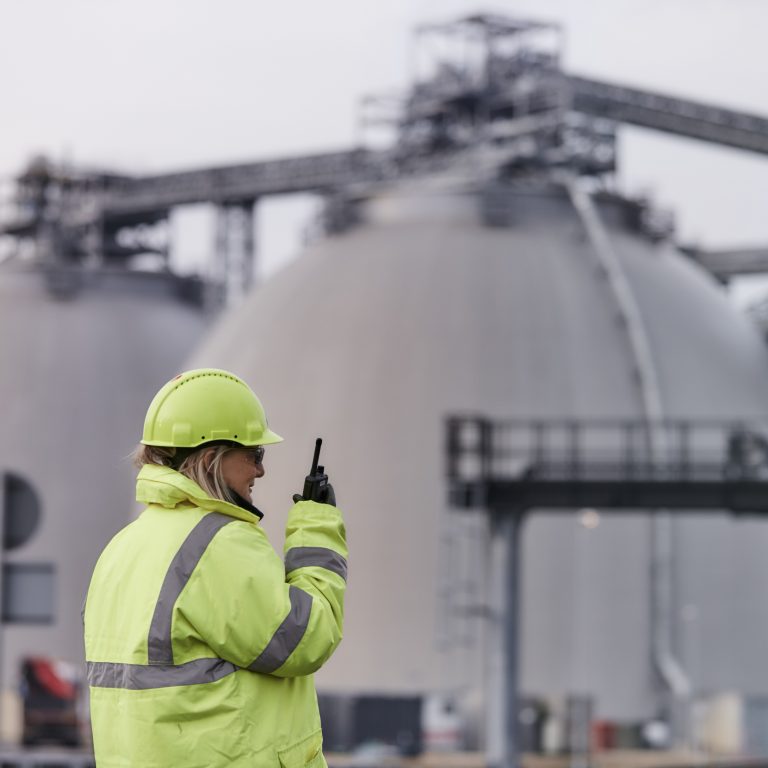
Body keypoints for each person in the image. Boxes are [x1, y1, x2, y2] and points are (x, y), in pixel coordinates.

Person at [83, 368, 347, 768]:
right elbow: (305, 639)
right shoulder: (218, 544)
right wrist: (317, 528)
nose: (261, 471)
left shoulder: (121, 549)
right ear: (212, 459)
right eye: (254, 455)